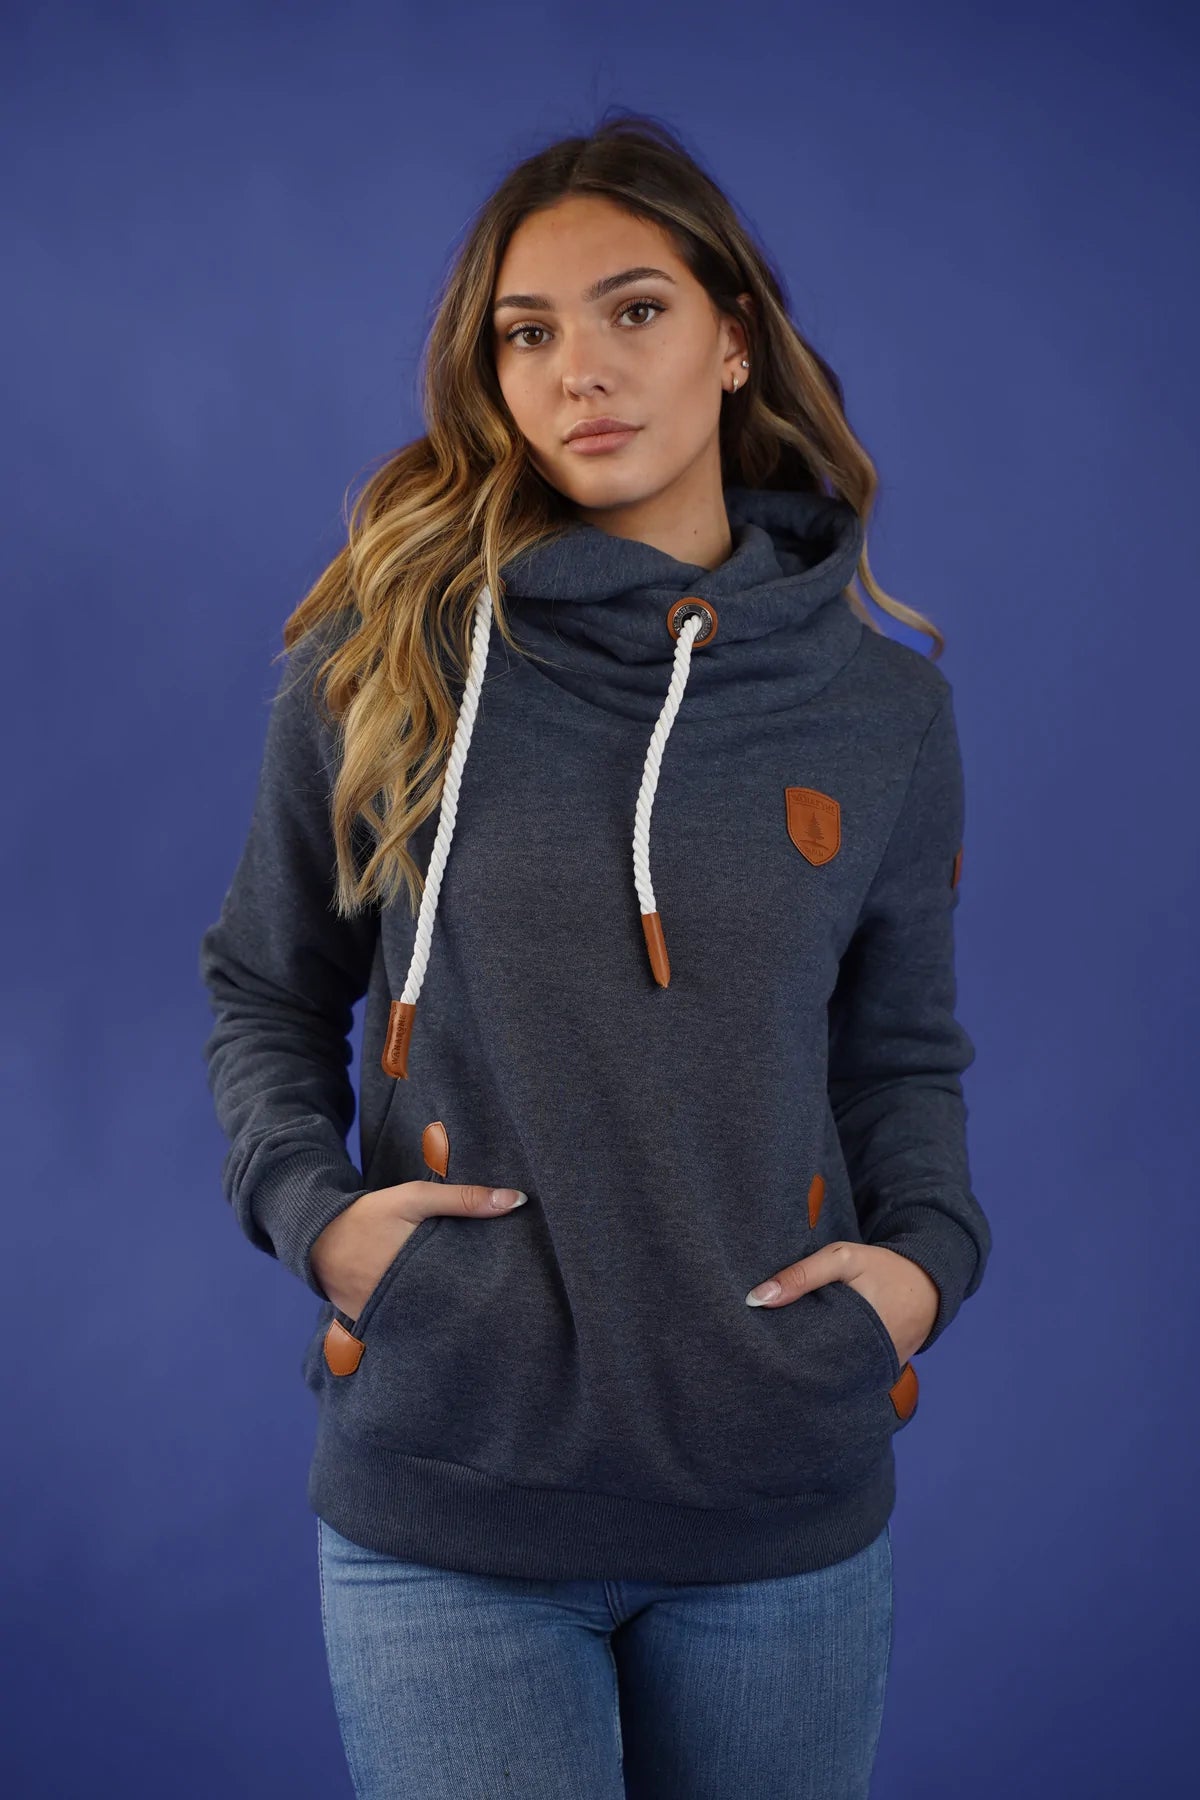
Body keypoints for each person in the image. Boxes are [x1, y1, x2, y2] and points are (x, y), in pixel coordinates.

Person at [199, 109, 992, 1800]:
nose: (582, 372)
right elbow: (267, 986)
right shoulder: (382, 660)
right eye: (527, 334)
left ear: (732, 339)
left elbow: (901, 1055)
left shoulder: (881, 712)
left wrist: (923, 1269)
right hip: (449, 1493)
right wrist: (318, 1220)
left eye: (635, 310)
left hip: (778, 1498)